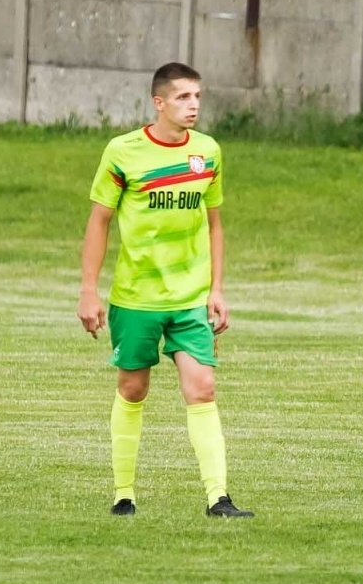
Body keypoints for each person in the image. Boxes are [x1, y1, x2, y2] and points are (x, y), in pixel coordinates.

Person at [78, 62, 250, 518]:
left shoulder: (208, 152)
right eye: (182, 97)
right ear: (159, 103)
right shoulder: (123, 152)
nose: (193, 106)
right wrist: (88, 291)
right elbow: (99, 221)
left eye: (197, 97)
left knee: (203, 388)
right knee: (133, 389)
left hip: (190, 298)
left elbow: (214, 224)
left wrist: (217, 289)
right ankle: (124, 494)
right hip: (136, 298)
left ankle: (218, 497)